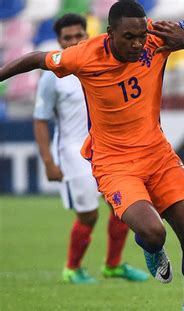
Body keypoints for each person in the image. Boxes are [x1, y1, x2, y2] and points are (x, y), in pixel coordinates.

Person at [0, 1, 184, 310]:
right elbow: (36, 59)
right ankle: (150, 247)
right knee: (153, 231)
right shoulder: (83, 55)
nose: (137, 44)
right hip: (114, 163)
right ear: (110, 34)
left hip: (158, 155)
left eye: (141, 36)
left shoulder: (156, 36)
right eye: (129, 37)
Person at [33, 13, 148, 284]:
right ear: (59, 41)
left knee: (122, 207)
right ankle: (72, 268)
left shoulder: (100, 63)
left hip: (106, 149)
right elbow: (40, 119)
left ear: (88, 34)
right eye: (67, 38)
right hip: (73, 153)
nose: (73, 41)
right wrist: (49, 162)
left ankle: (113, 265)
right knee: (88, 215)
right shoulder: (53, 76)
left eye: (78, 35)